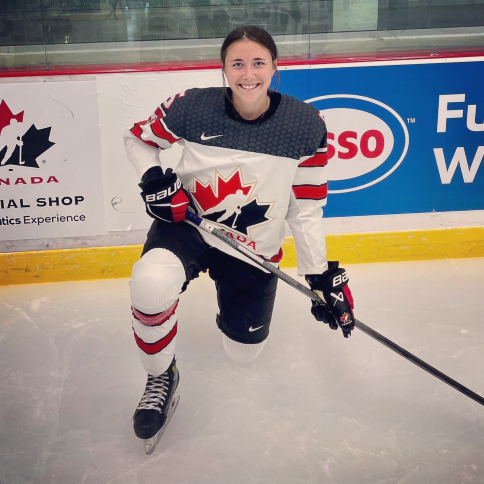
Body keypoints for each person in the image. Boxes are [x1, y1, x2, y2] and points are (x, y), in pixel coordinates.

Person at [123, 25, 355, 453]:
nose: (248, 74)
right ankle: (161, 375)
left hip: (252, 247)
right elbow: (139, 139)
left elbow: (305, 209)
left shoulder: (306, 125)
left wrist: (320, 276)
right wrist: (154, 180)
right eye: (237, 64)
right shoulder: (193, 107)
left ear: (275, 67)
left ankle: (231, 312)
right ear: (224, 68)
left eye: (258, 63)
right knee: (150, 283)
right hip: (188, 225)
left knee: (244, 352)